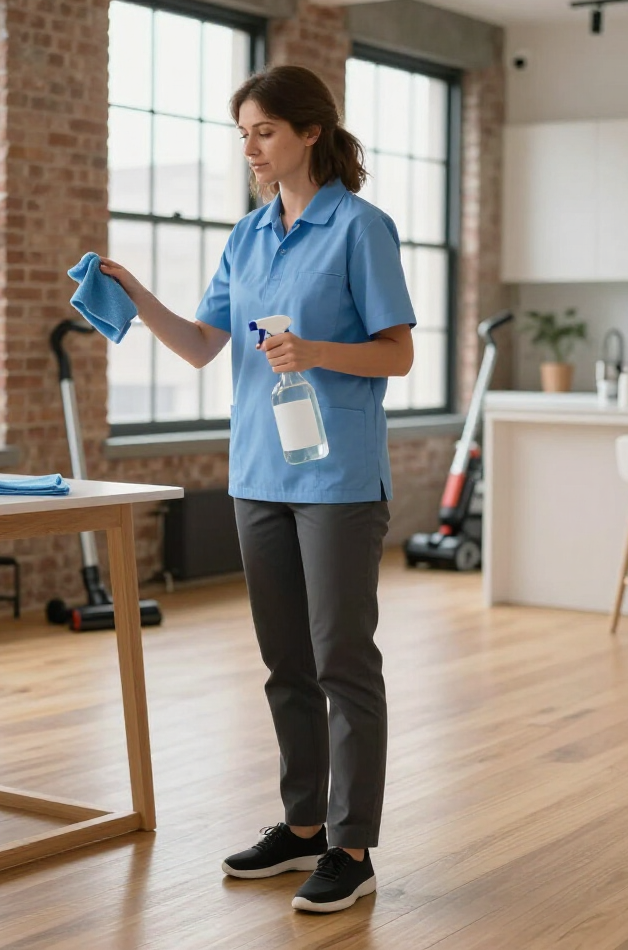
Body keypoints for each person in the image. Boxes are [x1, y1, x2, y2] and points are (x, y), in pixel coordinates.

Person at [100, 64, 416, 914]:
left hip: (339, 478)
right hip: (257, 474)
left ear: (310, 132)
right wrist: (138, 296)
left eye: (264, 131)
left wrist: (315, 351)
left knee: (341, 658)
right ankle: (303, 827)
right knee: (285, 663)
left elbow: (397, 353)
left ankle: (352, 849)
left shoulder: (361, 228)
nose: (250, 146)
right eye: (242, 132)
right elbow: (205, 344)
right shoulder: (245, 237)